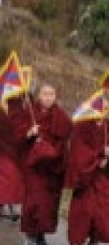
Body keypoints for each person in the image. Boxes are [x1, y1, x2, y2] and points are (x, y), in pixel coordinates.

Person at [12, 85, 72, 245]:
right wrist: (30, 133)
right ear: (39, 96)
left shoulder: (61, 116)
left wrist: (49, 149)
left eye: (51, 94)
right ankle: (30, 235)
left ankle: (40, 234)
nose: (48, 97)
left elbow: (65, 136)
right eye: (45, 94)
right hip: (34, 167)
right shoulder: (30, 112)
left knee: (48, 205)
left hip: (51, 169)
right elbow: (17, 135)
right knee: (33, 201)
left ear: (55, 96)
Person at [65, 98, 109, 245]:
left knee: (101, 212)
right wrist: (97, 161)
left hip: (101, 179)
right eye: (102, 108)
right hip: (85, 177)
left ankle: (94, 239)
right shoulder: (83, 126)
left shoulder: (107, 127)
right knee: (83, 212)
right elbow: (78, 151)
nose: (104, 111)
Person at [0, 97, 24, 220]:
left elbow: (23, 121)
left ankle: (13, 205)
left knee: (16, 177)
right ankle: (0, 205)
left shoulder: (22, 100)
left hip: (17, 146)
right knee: (5, 176)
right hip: (2, 146)